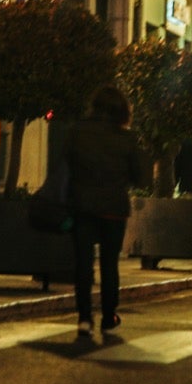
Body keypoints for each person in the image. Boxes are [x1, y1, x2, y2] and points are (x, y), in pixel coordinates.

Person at [66, 85, 149, 337]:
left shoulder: (77, 131)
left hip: (82, 207)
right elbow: (141, 178)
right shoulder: (126, 138)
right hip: (113, 209)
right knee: (109, 264)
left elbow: (66, 165)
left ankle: (84, 317)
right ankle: (108, 315)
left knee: (83, 262)